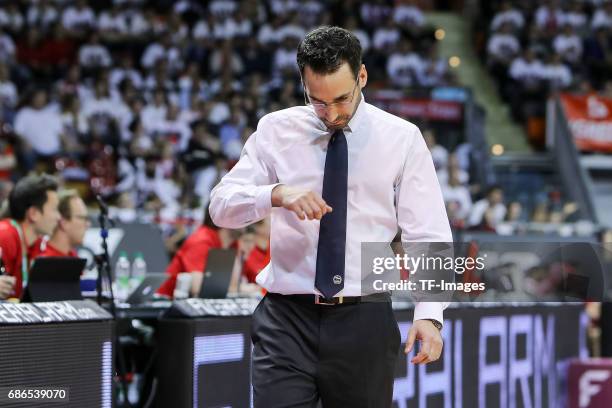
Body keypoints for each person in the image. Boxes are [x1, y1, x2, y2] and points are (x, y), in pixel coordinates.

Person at [209, 26, 451, 407]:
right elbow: (221, 206)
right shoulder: (276, 129)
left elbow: (428, 231)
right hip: (286, 317)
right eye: (318, 102)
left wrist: (430, 313)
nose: (333, 113)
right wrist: (274, 194)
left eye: (342, 98)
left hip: (364, 317)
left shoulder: (401, 138)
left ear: (362, 77)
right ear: (304, 84)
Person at [0, 174, 59, 299]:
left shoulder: (36, 244)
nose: (58, 217)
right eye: (54, 209)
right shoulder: (4, 235)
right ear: (33, 214)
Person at [30, 190, 89, 259]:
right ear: (63, 222)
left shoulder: (72, 255)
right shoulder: (42, 258)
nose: (87, 224)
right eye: (82, 218)